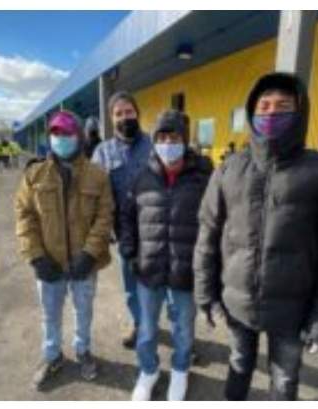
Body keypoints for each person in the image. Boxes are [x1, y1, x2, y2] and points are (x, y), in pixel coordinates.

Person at [193, 72, 318, 400]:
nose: (271, 113)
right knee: (238, 363)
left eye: (283, 107)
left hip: (293, 309)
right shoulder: (229, 169)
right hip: (237, 302)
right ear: (252, 112)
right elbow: (208, 235)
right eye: (264, 106)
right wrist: (205, 294)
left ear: (300, 112)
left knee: (284, 380)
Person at [15, 111, 114, 391]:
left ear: (79, 136)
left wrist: (90, 254)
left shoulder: (97, 175)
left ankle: (83, 350)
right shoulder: (34, 174)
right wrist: (36, 256)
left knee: (84, 312)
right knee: (50, 315)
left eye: (67, 133)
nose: (61, 138)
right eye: (56, 133)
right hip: (49, 263)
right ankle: (52, 356)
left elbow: (105, 216)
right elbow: (24, 215)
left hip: (85, 264)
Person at [119, 109, 213, 401]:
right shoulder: (141, 176)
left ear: (184, 140)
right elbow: (126, 218)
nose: (167, 143)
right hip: (149, 270)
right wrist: (130, 253)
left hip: (186, 271)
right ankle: (148, 371)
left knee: (183, 329)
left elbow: (216, 222)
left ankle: (180, 371)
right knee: (147, 330)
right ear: (154, 141)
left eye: (174, 138)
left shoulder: (203, 177)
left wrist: (207, 263)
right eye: (161, 138)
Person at [91, 91, 154, 349]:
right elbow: (96, 194)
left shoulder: (154, 144)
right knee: (132, 284)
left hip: (155, 229)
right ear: (111, 118)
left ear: (137, 113)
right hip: (125, 233)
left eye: (129, 112)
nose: (125, 117)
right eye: (119, 113)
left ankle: (181, 332)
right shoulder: (102, 152)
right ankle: (139, 323)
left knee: (168, 284)